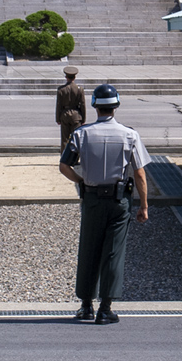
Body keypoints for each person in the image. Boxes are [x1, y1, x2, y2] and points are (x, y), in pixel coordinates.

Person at [59, 84, 150, 324]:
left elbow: (64, 166)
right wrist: (144, 206)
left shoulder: (82, 133)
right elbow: (139, 174)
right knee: (113, 252)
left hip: (92, 199)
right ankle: (105, 308)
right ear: (116, 105)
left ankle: (86, 305)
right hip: (119, 200)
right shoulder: (130, 135)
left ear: (95, 106)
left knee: (89, 248)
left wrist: (81, 180)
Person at [56, 66, 86, 152]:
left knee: (65, 139)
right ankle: (76, 157)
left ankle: (64, 159)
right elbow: (83, 105)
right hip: (76, 115)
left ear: (66, 77)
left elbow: (59, 105)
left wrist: (58, 118)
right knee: (77, 138)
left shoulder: (61, 89)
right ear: (75, 77)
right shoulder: (79, 89)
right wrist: (83, 118)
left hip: (65, 114)